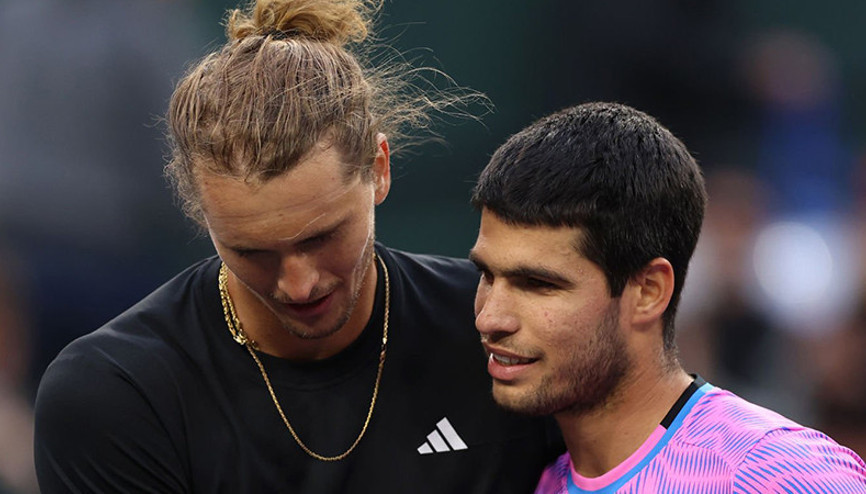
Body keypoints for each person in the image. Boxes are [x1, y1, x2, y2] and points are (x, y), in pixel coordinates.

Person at [33, 0, 561, 492]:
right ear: (202, 217)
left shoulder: (508, 327)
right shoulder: (113, 395)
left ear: (379, 169)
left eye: (322, 236)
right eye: (251, 252)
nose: (298, 284)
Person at [468, 101, 866, 493]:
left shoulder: (784, 475)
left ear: (648, 291)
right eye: (486, 274)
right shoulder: (528, 477)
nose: (490, 318)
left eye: (539, 284)